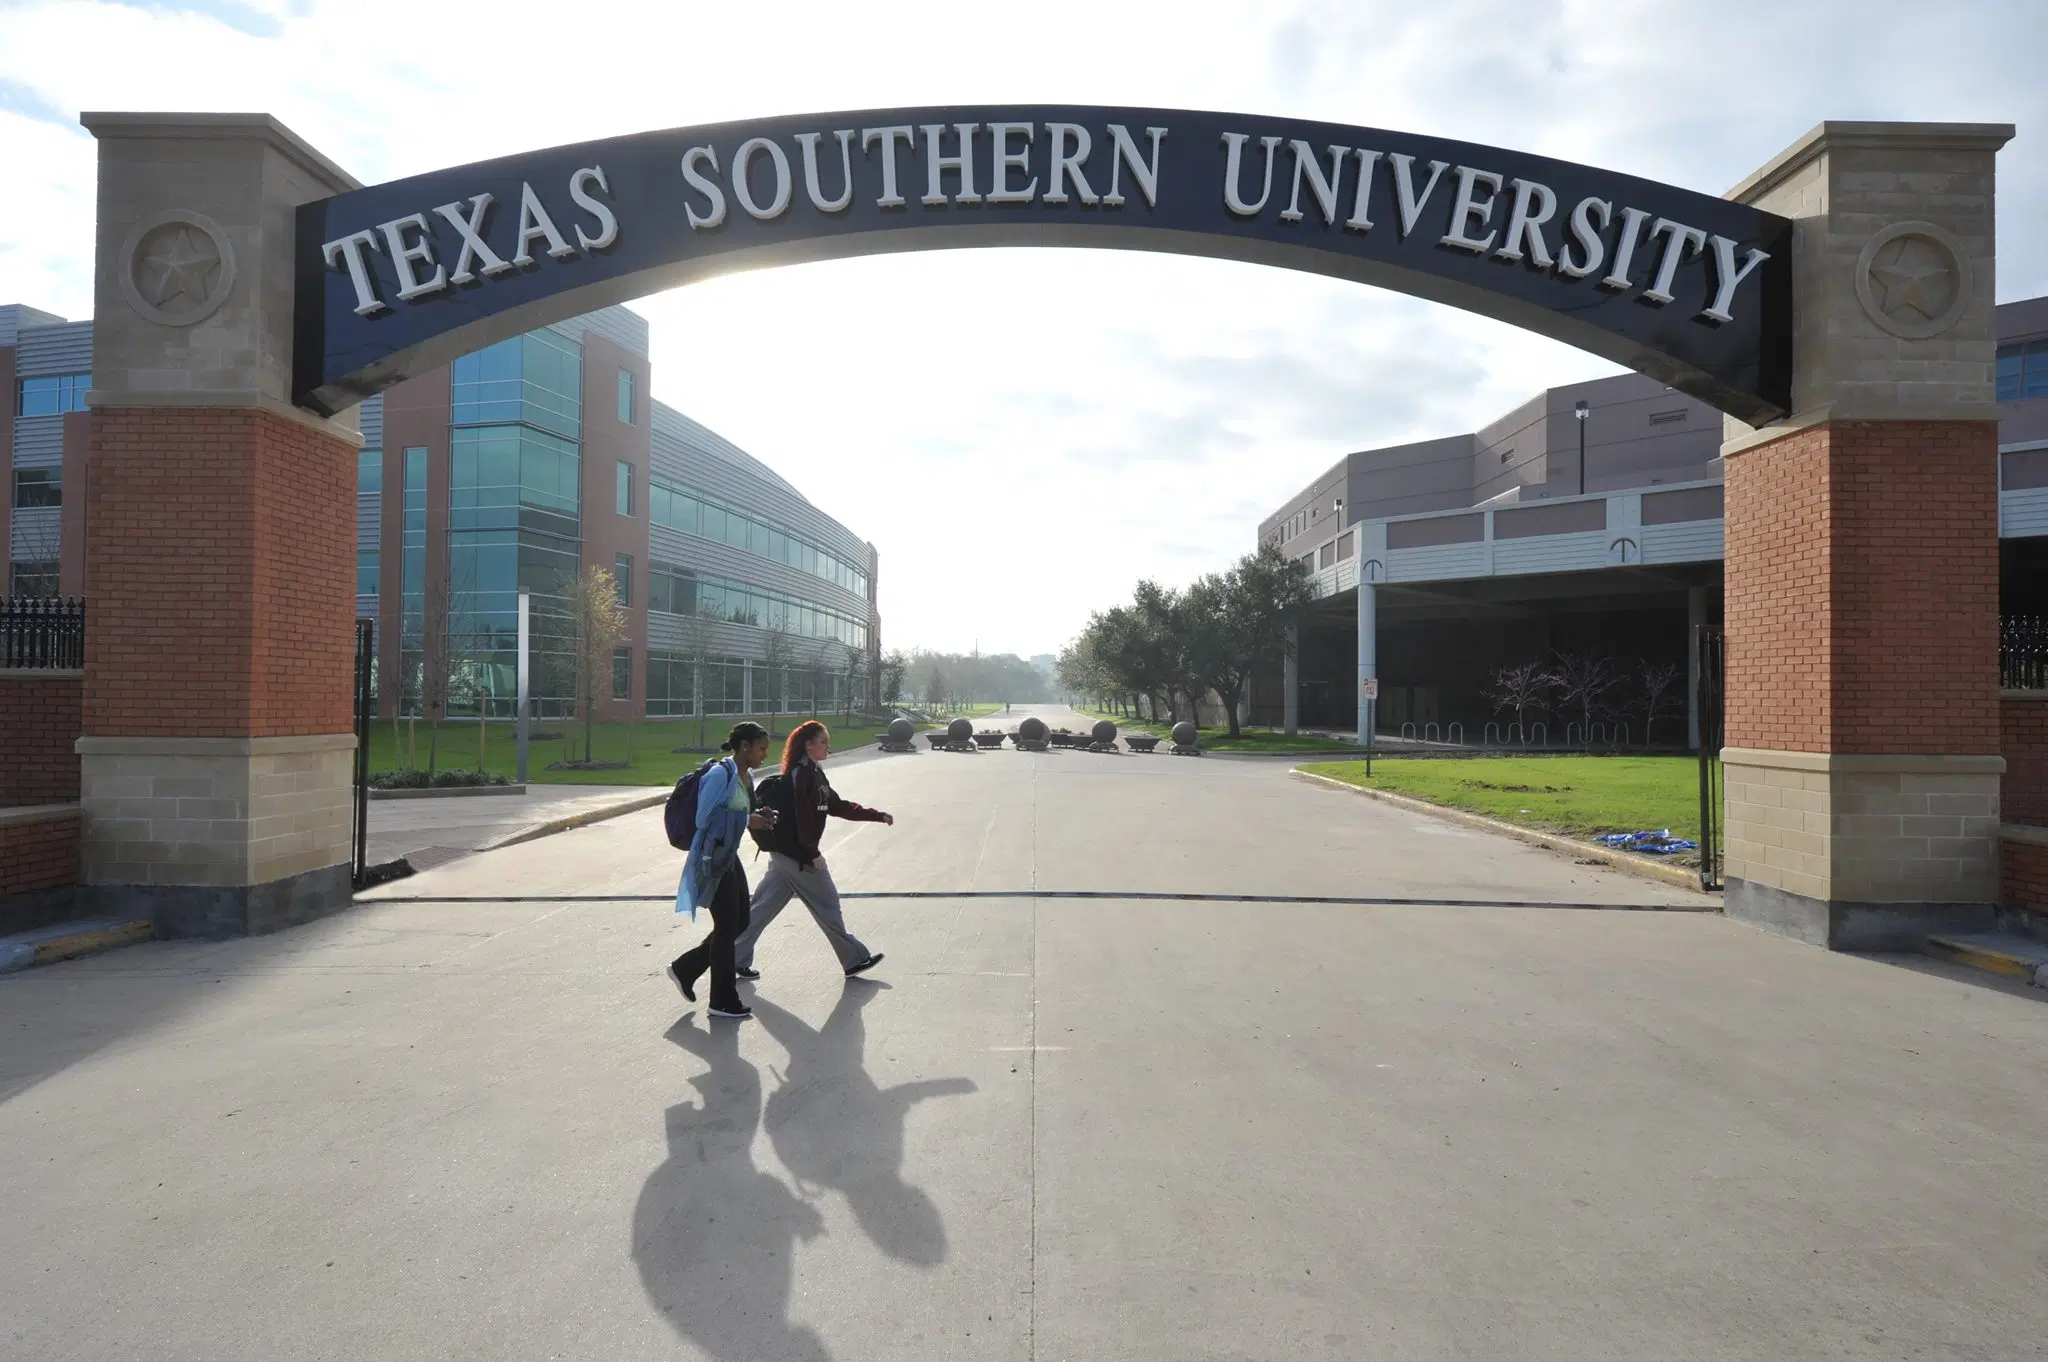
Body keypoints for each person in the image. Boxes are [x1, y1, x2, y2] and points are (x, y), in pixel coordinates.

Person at [734, 720, 893, 982]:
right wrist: (811, 853)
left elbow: (838, 806)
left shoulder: (814, 773)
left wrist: (876, 815)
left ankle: (733, 958)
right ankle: (854, 959)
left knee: (761, 908)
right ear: (808, 745)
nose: (828, 747)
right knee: (827, 904)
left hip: (786, 854)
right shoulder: (800, 775)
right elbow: (800, 819)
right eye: (823, 742)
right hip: (797, 855)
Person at [668, 721, 778, 1020]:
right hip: (710, 858)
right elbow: (704, 818)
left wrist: (758, 817)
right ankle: (722, 1000)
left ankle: (685, 968)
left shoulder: (747, 776)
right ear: (745, 747)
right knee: (728, 927)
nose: (764, 754)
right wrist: (746, 820)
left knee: (740, 921)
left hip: (728, 855)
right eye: (761, 748)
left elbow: (739, 813)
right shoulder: (720, 774)